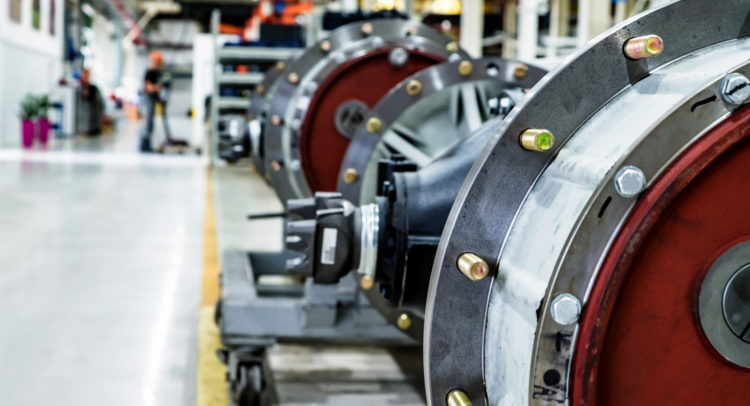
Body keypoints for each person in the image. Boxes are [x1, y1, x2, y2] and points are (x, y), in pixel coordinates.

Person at [140, 51, 172, 152]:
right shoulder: (150, 72)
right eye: (159, 62)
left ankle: (147, 144)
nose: (160, 64)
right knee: (149, 122)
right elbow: (149, 87)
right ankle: (144, 144)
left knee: (151, 122)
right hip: (149, 98)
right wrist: (160, 86)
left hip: (154, 98)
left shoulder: (158, 72)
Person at [78, 68, 104, 136]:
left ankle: (92, 129)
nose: (85, 76)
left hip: (93, 122)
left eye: (86, 74)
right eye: (84, 74)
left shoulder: (93, 88)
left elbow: (86, 95)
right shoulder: (80, 86)